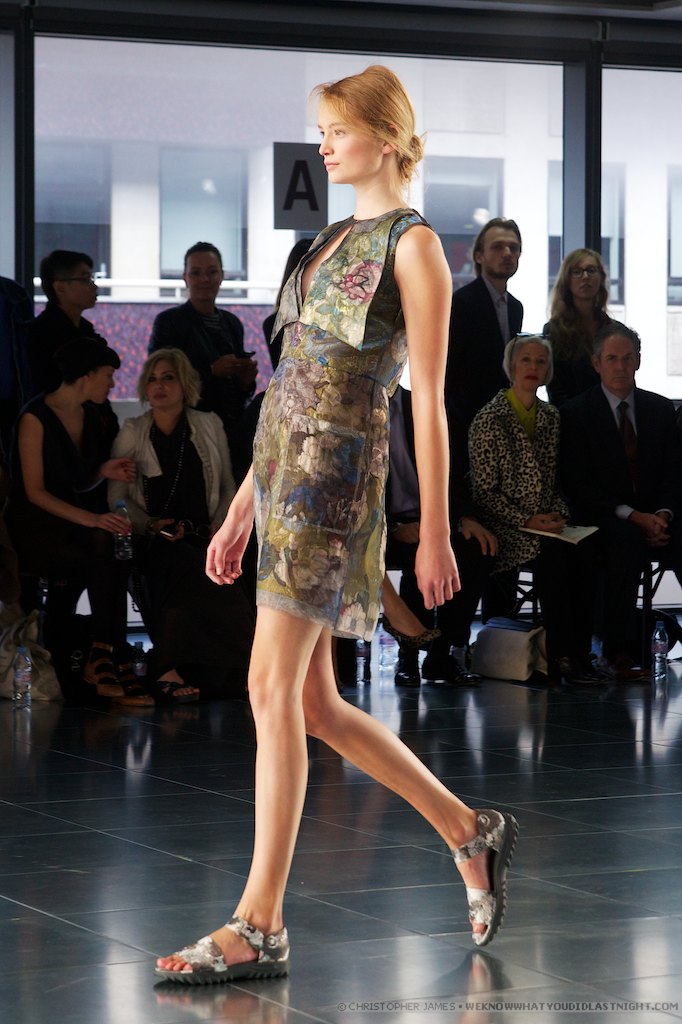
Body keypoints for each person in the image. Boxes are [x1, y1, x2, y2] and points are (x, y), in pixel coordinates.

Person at [156, 65, 518, 984]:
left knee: (270, 689)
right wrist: (241, 506)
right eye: (321, 129)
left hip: (334, 490)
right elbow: (292, 386)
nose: (322, 145)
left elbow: (427, 402)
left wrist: (434, 529)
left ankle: (259, 924)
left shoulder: (415, 246)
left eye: (336, 129)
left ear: (385, 137)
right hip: (284, 478)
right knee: (312, 705)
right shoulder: (324, 243)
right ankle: (468, 831)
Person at [6, 337, 153, 705]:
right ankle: (111, 655)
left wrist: (102, 471)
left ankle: (105, 654)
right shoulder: (35, 417)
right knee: (106, 542)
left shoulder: (90, 415)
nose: (112, 384)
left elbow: (75, 480)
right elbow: (35, 491)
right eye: (108, 375)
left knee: (115, 543)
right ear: (87, 375)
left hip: (72, 521)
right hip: (36, 527)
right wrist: (92, 519)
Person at [109, 348, 254, 701]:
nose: (159, 386)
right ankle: (167, 667)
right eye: (153, 379)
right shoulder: (133, 430)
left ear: (185, 384)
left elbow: (227, 486)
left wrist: (221, 527)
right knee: (182, 565)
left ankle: (238, 669)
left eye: (168, 378)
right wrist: (150, 525)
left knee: (220, 578)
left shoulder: (208, 424)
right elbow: (116, 498)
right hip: (153, 538)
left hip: (205, 534)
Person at [468, 335, 601, 685]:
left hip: (543, 524)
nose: (533, 367)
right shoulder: (489, 417)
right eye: (526, 359)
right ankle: (559, 659)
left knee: (587, 551)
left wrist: (557, 515)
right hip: (503, 525)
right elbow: (483, 494)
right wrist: (527, 520)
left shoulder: (551, 417)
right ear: (512, 366)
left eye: (541, 361)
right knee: (554, 558)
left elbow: (555, 482)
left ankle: (581, 654)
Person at [560, 321, 682, 680]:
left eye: (628, 358)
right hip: (605, 516)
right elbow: (579, 486)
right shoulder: (577, 412)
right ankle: (616, 652)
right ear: (596, 363)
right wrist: (635, 517)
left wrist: (662, 514)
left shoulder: (660, 409)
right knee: (623, 541)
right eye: (612, 359)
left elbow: (674, 473)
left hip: (657, 516)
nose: (620, 366)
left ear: (638, 361)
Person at [148, 242, 258, 449]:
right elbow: (158, 380)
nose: (204, 279)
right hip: (187, 430)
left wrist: (245, 382)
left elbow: (237, 394)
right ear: (185, 278)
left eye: (212, 272)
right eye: (196, 273)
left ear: (222, 276)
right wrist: (211, 371)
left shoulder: (232, 323)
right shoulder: (169, 322)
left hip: (230, 428)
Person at [446, 217, 523, 480]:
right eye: (498, 247)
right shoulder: (461, 303)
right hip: (466, 420)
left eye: (513, 248)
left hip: (503, 418)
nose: (507, 253)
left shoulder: (516, 307)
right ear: (479, 256)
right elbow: (450, 371)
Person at [25, 250, 102, 397]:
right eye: (85, 279)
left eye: (92, 278)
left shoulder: (86, 330)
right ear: (60, 287)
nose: (94, 286)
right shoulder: (41, 334)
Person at [544, 248, 611, 407]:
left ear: (601, 277)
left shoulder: (613, 330)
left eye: (591, 270)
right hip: (570, 414)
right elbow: (555, 389)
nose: (585, 277)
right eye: (577, 272)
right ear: (567, 280)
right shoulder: (554, 331)